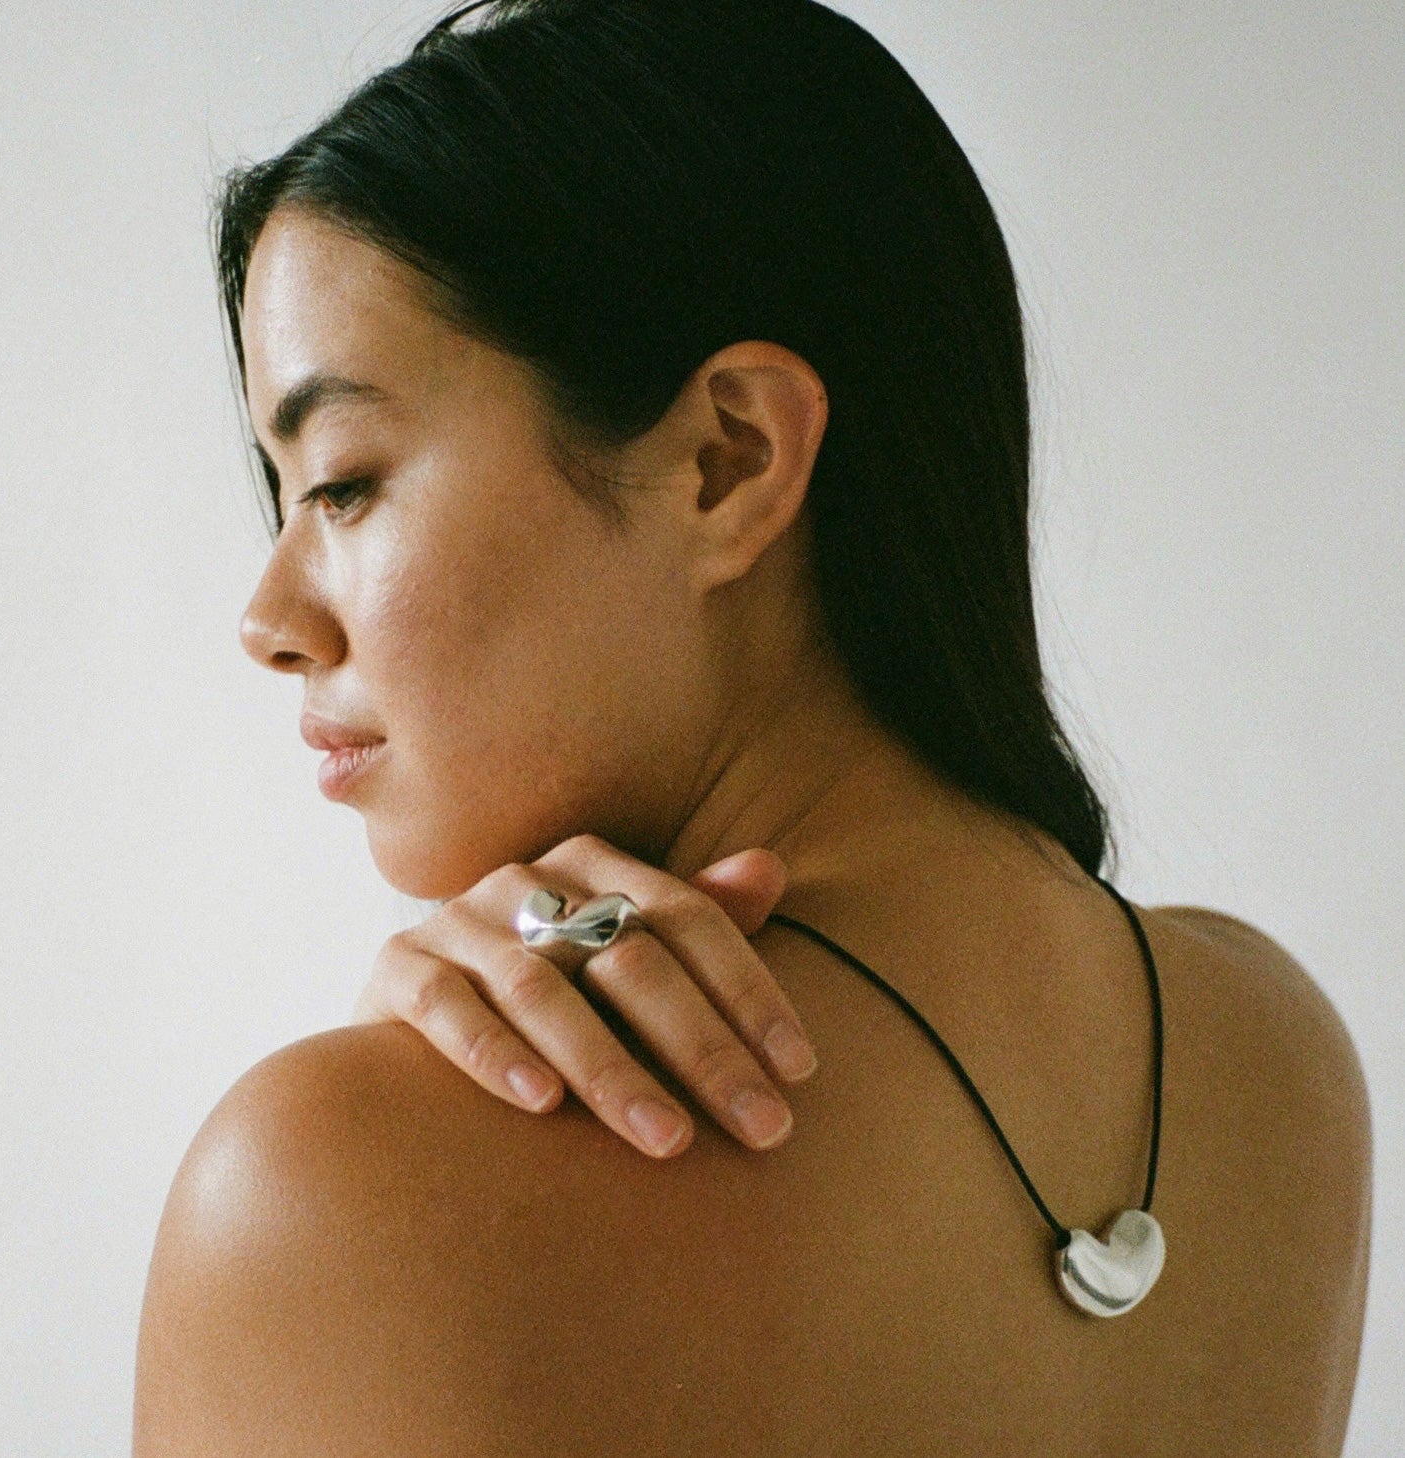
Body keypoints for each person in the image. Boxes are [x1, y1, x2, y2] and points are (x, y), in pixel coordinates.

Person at [132, 0, 1372, 1452]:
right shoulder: (1264, 1060)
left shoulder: (328, 1188)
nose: (268, 611)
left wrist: (375, 1149)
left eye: (340, 481)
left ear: (729, 459)